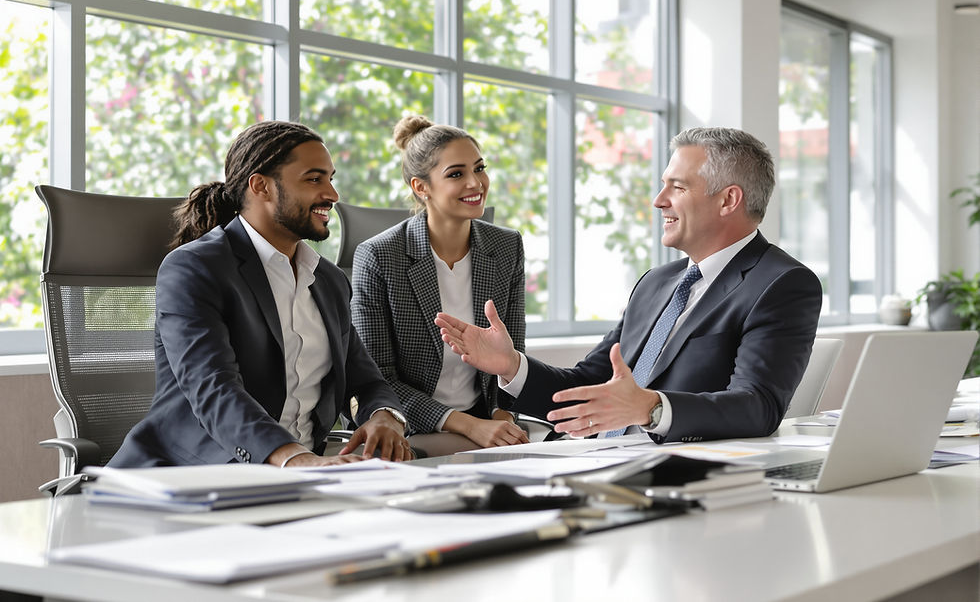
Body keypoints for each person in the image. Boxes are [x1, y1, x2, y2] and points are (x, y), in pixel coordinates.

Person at [435, 127, 822, 443]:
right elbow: (589, 382)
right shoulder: (656, 283)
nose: (658, 201)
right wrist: (511, 366)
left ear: (728, 200)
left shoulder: (782, 284)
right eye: (663, 185)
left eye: (678, 187)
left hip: (665, 475)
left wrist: (650, 408)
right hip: (588, 457)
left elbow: (757, 406)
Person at [110, 120, 412, 468]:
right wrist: (291, 458)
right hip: (192, 475)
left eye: (331, 178)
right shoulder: (194, 269)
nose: (332, 194)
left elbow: (365, 380)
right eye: (314, 179)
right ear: (261, 186)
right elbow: (214, 388)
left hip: (296, 476)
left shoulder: (327, 280)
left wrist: (384, 416)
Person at [350, 115, 529, 453]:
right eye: (456, 174)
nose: (476, 183)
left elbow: (512, 357)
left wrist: (504, 417)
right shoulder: (379, 256)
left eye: (479, 168)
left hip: (484, 422)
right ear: (421, 187)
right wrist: (471, 427)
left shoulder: (507, 247)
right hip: (406, 427)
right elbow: (378, 379)